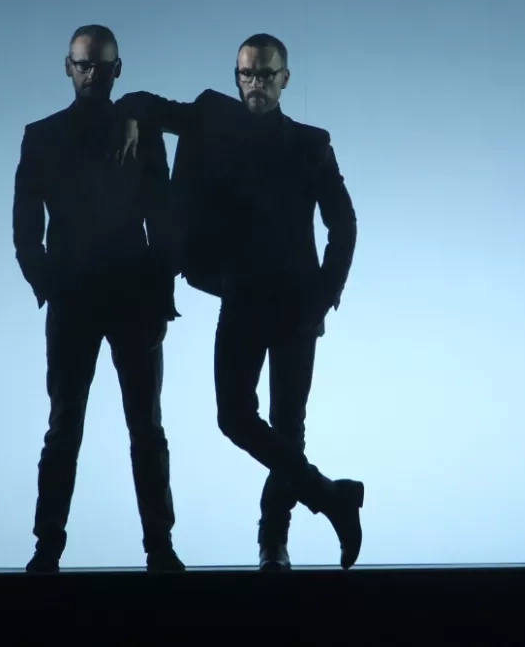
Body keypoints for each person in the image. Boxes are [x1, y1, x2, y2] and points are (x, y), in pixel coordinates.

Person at [114, 33, 363, 570]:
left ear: (285, 80)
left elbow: (343, 223)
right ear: (237, 77)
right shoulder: (212, 116)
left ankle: (273, 543)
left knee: (288, 426)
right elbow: (144, 102)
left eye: (266, 74)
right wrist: (132, 118)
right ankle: (331, 497)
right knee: (233, 417)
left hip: (296, 306)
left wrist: (324, 297)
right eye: (247, 74)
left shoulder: (311, 144)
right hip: (241, 298)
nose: (256, 83)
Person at [12, 24, 184, 574]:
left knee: (146, 428)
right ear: (68, 67)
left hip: (133, 297)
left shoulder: (142, 132)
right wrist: (48, 287)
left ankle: (160, 547)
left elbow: (163, 218)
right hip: (74, 299)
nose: (91, 74)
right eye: (83, 64)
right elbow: (24, 229)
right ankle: (47, 548)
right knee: (65, 427)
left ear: (117, 70)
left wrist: (161, 295)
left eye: (101, 65)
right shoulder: (41, 136)